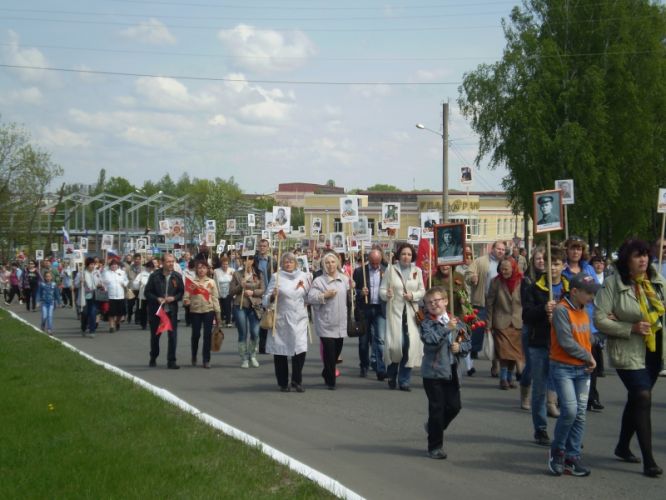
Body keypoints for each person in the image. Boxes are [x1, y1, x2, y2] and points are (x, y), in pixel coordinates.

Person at [594, 239, 665, 477]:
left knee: (637, 400)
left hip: (654, 349)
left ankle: (622, 446)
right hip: (627, 350)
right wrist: (630, 328)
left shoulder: (656, 281)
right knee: (643, 395)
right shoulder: (613, 284)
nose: (643, 259)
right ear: (626, 260)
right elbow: (600, 319)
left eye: (645, 255)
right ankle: (649, 460)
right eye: (638, 256)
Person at [548, 273, 598, 477]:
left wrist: (600, 337)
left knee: (580, 415)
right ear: (575, 292)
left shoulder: (584, 310)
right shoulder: (562, 310)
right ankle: (557, 452)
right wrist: (588, 356)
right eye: (588, 293)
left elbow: (586, 337)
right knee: (569, 410)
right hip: (564, 367)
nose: (591, 296)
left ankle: (573, 456)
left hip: (583, 369)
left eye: (593, 292)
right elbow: (566, 342)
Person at [522, 247, 569, 446]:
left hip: (564, 344)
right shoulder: (534, 287)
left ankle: (567, 431)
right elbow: (527, 315)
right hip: (540, 342)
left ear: (563, 266)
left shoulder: (569, 288)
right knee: (540, 388)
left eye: (557, 264)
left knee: (565, 390)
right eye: (550, 263)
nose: (553, 268)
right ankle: (540, 428)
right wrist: (543, 308)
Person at [420, 286, 471, 459]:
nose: (434, 304)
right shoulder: (427, 323)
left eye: (437, 300)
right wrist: (445, 329)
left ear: (446, 301)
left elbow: (466, 343)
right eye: (429, 302)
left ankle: (435, 426)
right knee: (437, 409)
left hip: (451, 371)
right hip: (433, 373)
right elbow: (429, 341)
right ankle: (435, 447)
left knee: (454, 407)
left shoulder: (456, 322)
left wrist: (460, 347)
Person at [562, 236, 604, 412]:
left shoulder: (588, 269)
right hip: (570, 320)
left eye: (579, 249)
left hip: (588, 321)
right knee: (571, 360)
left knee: (590, 359)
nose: (576, 252)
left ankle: (591, 396)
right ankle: (569, 396)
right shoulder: (563, 270)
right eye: (573, 248)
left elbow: (596, 293)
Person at [379, 243, 426, 391]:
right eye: (404, 254)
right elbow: (381, 290)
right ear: (398, 256)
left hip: (412, 315)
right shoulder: (391, 270)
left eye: (409, 254)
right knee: (396, 346)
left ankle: (404, 380)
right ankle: (392, 374)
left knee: (410, 346)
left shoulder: (417, 271)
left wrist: (413, 295)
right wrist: (386, 294)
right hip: (395, 313)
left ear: (412, 257)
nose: (406, 257)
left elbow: (422, 291)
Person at [263, 252, 311, 392]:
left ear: (296, 263)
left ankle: (297, 380)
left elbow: (308, 295)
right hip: (282, 319)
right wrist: (272, 296)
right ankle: (283, 382)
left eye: (291, 261)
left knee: (300, 349)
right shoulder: (276, 277)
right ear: (282, 264)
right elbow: (265, 300)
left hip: (300, 318)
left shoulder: (304, 276)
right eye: (286, 261)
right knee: (281, 351)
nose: (288, 263)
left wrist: (309, 300)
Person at [308, 252, 348, 389]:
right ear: (323, 265)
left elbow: (350, 296)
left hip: (340, 321)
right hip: (325, 322)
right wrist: (324, 295)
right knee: (330, 353)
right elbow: (311, 298)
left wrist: (358, 290)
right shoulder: (319, 281)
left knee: (337, 352)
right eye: (327, 262)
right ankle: (331, 380)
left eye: (332, 262)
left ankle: (326, 371)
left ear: (337, 263)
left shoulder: (344, 279)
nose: (330, 265)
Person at [466, 241, 506, 369]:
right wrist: (472, 277)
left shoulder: (506, 264)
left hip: (499, 304)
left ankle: (496, 363)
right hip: (482, 301)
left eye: (503, 250)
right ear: (492, 249)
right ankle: (472, 355)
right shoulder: (480, 261)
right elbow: (468, 273)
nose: (501, 251)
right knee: (478, 330)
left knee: (497, 333)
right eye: (498, 249)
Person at [486, 256, 524, 389]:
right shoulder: (495, 282)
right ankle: (503, 379)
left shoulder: (521, 281)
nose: (504, 272)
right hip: (500, 321)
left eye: (506, 269)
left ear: (513, 268)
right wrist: (489, 324)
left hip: (517, 322)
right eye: (501, 269)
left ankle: (509, 377)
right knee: (503, 352)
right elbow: (490, 303)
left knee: (514, 353)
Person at [145, 253, 184, 369]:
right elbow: (147, 292)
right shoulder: (155, 276)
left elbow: (181, 292)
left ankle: (171, 361)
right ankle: (153, 356)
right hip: (157, 311)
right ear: (162, 263)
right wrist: (157, 298)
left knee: (173, 336)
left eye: (172, 261)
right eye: (168, 261)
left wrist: (174, 298)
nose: (171, 264)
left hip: (171, 310)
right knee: (155, 336)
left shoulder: (177, 276)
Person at [353, 248, 387, 379]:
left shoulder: (386, 270)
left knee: (380, 340)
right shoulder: (359, 271)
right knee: (363, 341)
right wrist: (360, 292)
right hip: (364, 309)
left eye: (377, 262)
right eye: (372, 263)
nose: (375, 265)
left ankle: (380, 368)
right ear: (368, 260)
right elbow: (353, 291)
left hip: (379, 308)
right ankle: (364, 365)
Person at [183, 259, 221, 369]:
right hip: (195, 311)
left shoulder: (211, 282)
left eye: (204, 268)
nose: (201, 270)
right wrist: (186, 301)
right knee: (195, 335)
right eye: (199, 268)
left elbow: (215, 298)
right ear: (196, 269)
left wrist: (218, 314)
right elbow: (186, 296)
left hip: (208, 311)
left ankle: (206, 359)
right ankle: (194, 355)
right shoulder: (191, 281)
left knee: (207, 335)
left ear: (207, 269)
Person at [230, 255, 265, 368]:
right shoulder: (237, 274)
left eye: (249, 259)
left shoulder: (259, 274)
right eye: (244, 259)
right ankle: (244, 358)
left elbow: (263, 290)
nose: (246, 262)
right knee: (242, 333)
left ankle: (252, 355)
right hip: (240, 306)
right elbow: (231, 291)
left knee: (255, 333)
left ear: (253, 260)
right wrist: (241, 285)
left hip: (255, 306)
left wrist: (252, 293)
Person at [255, 239, 276, 354]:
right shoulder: (254, 261)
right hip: (259, 292)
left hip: (270, 292)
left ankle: (271, 345)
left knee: (271, 319)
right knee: (262, 320)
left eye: (264, 246)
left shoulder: (272, 261)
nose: (262, 248)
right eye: (261, 246)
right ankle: (262, 346)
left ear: (268, 247)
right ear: (258, 247)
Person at [102, 259, 129, 333]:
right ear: (110, 266)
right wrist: (104, 287)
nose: (114, 266)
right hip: (110, 296)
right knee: (111, 312)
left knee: (120, 313)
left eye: (115, 264)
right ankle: (111, 326)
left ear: (118, 265)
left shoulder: (122, 272)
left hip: (120, 295)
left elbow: (126, 281)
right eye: (112, 265)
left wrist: (124, 283)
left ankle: (117, 322)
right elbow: (102, 282)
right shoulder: (106, 273)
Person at [132, 260, 154, 330]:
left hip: (152, 295)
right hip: (143, 295)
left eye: (151, 267)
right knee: (143, 310)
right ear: (146, 267)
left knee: (151, 310)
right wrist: (139, 284)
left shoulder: (154, 274)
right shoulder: (141, 274)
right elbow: (135, 283)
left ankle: (152, 323)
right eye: (149, 267)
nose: (150, 269)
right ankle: (143, 324)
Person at [37, 270, 61, 335]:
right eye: (46, 276)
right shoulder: (42, 284)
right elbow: (39, 293)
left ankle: (49, 329)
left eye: (49, 276)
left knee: (50, 316)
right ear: (44, 277)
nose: (48, 278)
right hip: (44, 303)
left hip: (51, 303)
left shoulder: (54, 284)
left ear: (51, 277)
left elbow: (57, 294)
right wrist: (38, 301)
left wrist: (59, 302)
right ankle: (43, 325)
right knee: (44, 316)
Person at [214, 256, 235, 327]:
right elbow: (215, 282)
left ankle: (228, 321)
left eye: (226, 264)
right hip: (220, 290)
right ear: (221, 264)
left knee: (228, 306)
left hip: (229, 291)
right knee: (221, 307)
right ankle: (221, 320)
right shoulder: (216, 271)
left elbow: (234, 281)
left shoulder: (232, 270)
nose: (225, 266)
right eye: (223, 264)